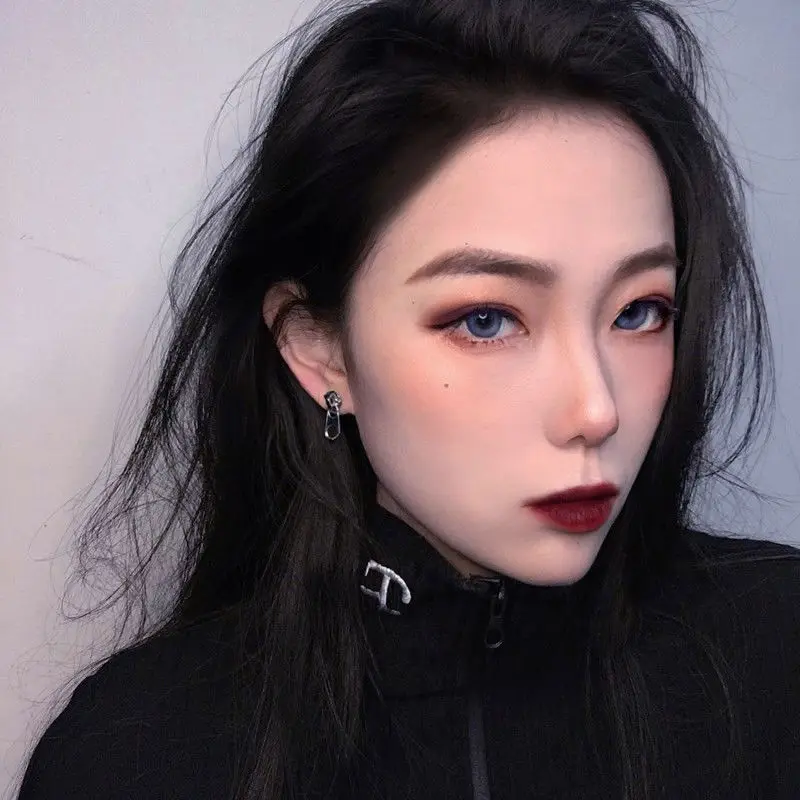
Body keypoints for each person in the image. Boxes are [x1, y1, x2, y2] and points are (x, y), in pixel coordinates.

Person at [16, 0, 800, 798]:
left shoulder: (778, 654)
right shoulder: (138, 755)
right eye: (486, 320)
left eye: (639, 311)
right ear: (319, 349)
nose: (596, 411)